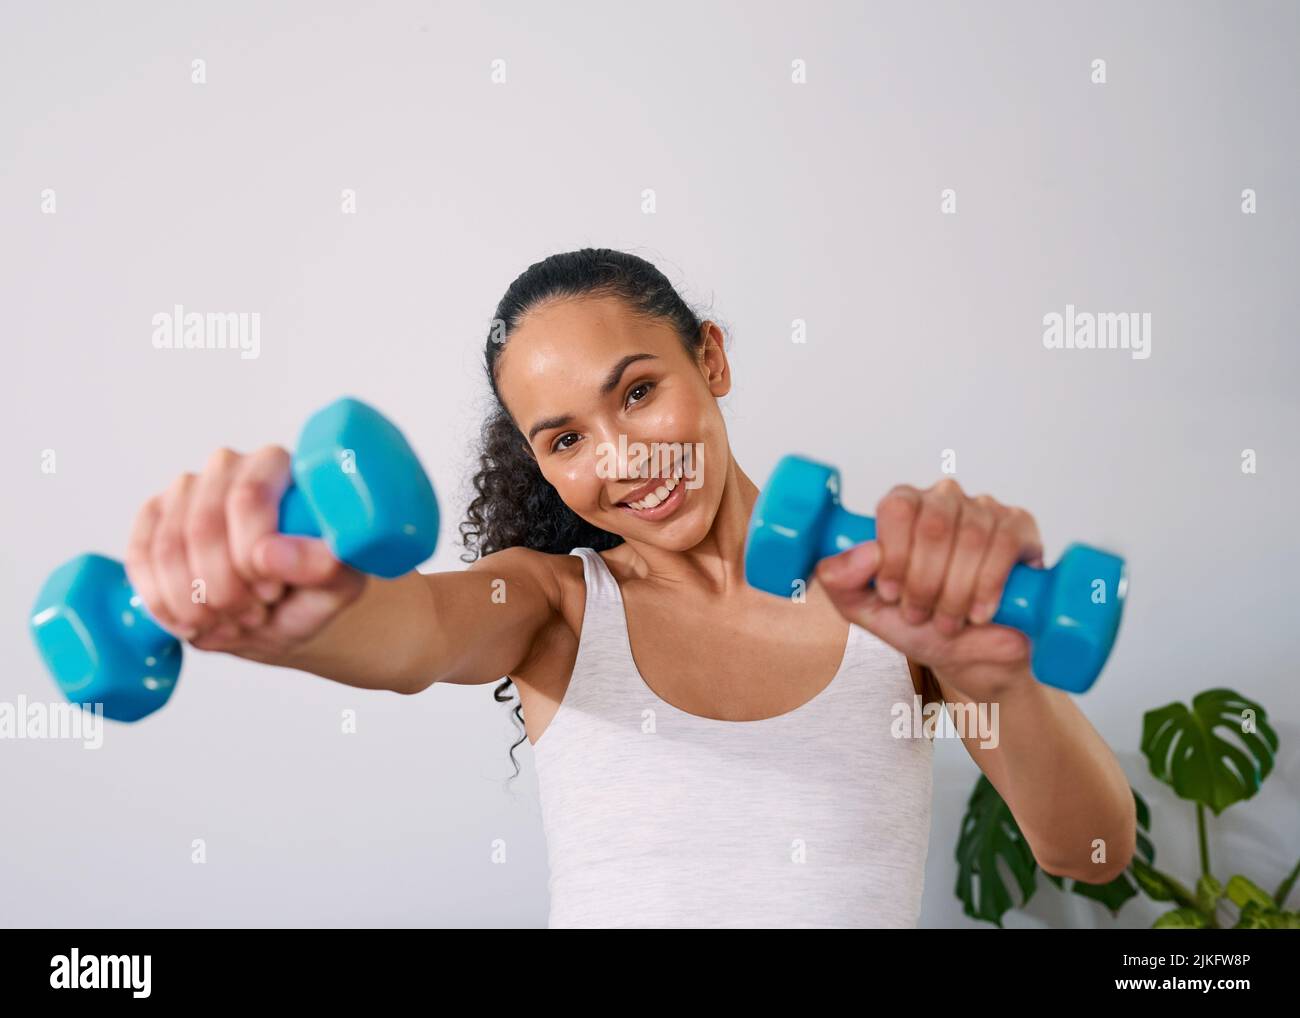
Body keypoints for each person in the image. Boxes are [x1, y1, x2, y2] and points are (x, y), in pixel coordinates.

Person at [123, 247, 1137, 928]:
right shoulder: (551, 608)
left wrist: (994, 682)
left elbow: (1090, 849)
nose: (621, 460)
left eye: (638, 390)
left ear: (713, 356)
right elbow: (417, 632)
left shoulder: (901, 605)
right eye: (565, 438)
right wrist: (300, 613)